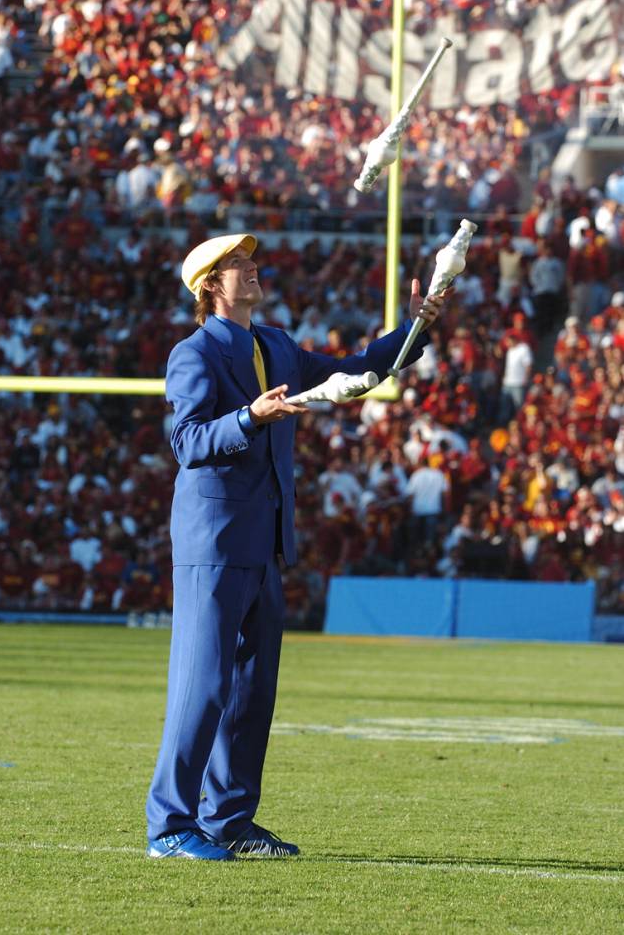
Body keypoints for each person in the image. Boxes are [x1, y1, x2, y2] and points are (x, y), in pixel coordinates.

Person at [145, 232, 449, 861]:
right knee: (202, 686)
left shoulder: (275, 345)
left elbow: (356, 371)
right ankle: (171, 826)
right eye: (236, 264)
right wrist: (249, 418)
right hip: (214, 539)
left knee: (254, 690)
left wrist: (414, 329)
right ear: (210, 286)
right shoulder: (193, 353)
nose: (251, 268)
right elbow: (188, 443)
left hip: (264, 539)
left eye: (249, 260)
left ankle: (228, 820)